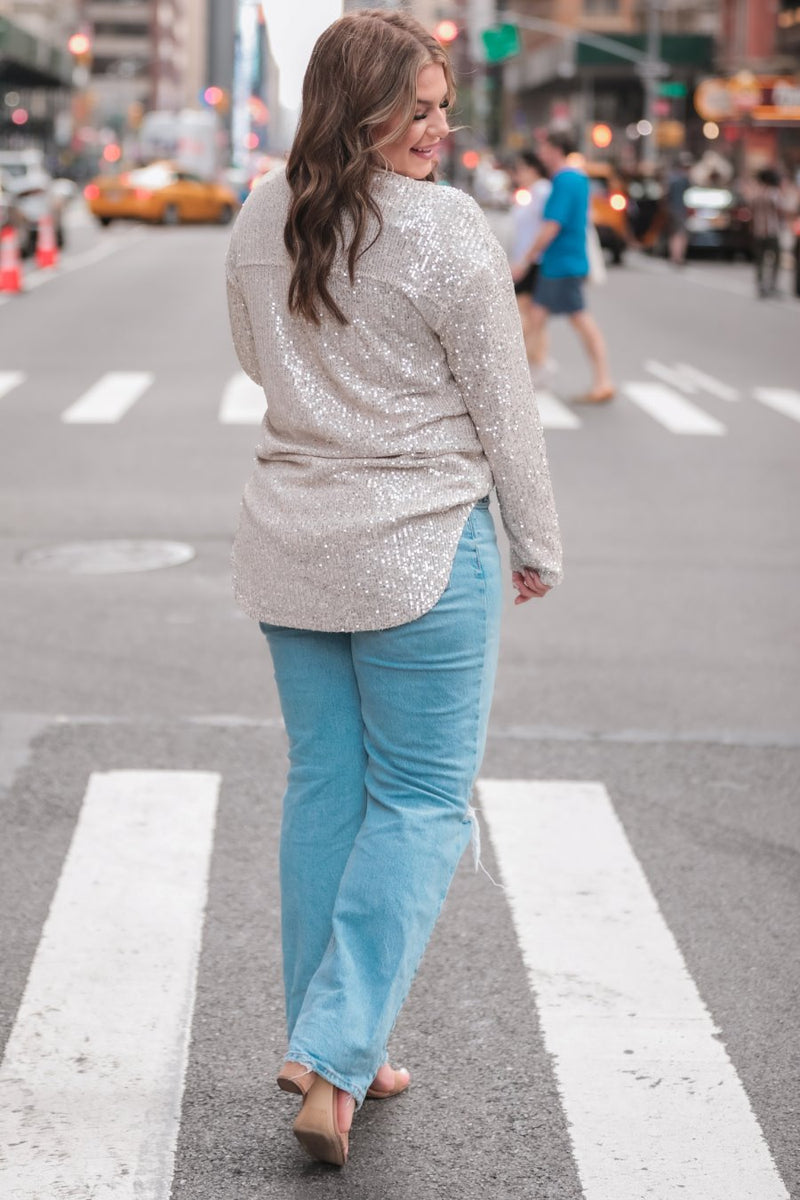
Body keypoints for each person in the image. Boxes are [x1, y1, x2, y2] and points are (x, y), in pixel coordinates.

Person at [225, 8, 562, 1169]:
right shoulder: (443, 227)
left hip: (291, 536)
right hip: (423, 535)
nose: (437, 126)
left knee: (325, 785)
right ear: (355, 107)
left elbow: (249, 355)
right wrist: (537, 539)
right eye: (412, 108)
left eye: (440, 106)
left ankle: (337, 1047)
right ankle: (335, 1049)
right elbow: (501, 402)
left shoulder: (263, 210)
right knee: (420, 801)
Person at [512, 130, 614, 403]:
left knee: (574, 320)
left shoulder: (565, 179)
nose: (541, 153)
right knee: (535, 317)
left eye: (544, 148)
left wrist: (527, 259)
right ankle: (529, 374)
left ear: (556, 150)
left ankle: (601, 380)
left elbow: (552, 225)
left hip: (562, 262)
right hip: (564, 261)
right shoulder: (576, 178)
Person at [509, 150, 552, 366]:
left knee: (522, 312)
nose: (518, 175)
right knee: (531, 313)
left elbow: (546, 228)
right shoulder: (532, 192)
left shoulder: (542, 191)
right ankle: (535, 358)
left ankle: (521, 357)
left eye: (521, 169)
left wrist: (525, 260)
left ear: (532, 168)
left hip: (536, 260)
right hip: (529, 259)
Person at [750, 167, 784, 298]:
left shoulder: (756, 192)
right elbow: (780, 210)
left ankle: (760, 283)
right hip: (771, 230)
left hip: (758, 230)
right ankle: (772, 284)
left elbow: (751, 211)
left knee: (760, 259)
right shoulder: (773, 192)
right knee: (775, 259)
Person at [665, 152, 692, 266]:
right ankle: (678, 257)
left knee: (673, 234)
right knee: (680, 234)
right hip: (680, 209)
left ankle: (673, 256)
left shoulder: (671, 177)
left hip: (672, 208)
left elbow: (666, 194)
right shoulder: (684, 179)